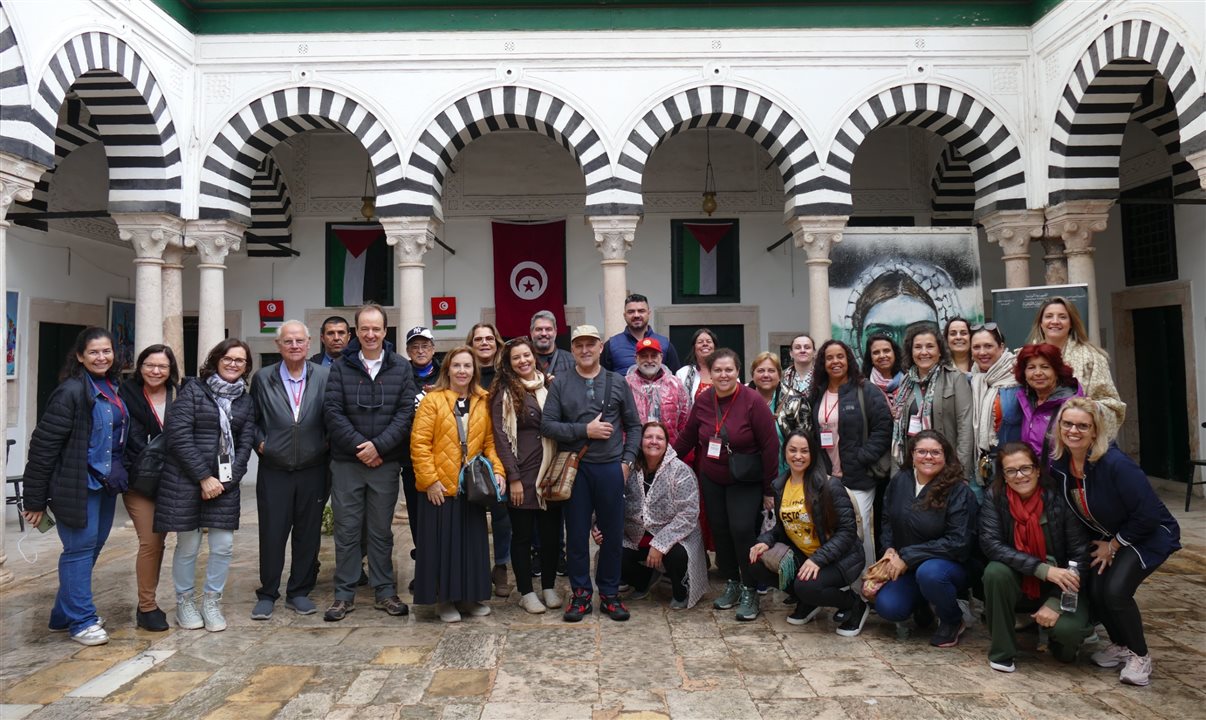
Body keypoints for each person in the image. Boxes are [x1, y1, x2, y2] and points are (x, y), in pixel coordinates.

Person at [1048, 398, 1181, 686]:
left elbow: (1147, 514)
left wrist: (1115, 545)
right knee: (1096, 587)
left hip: (1146, 534)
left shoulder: (1115, 463)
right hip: (1108, 535)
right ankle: (1121, 645)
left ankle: (1140, 656)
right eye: (1067, 424)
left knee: (1117, 591)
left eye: (1083, 425)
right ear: (1058, 427)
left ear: (1095, 431)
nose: (1074, 430)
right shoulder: (1059, 464)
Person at [22, 328, 128, 646]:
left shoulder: (112, 387)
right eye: (94, 352)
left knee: (90, 550)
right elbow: (43, 447)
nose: (101, 357)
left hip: (105, 485)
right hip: (76, 485)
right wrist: (35, 500)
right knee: (79, 551)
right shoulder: (70, 391)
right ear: (80, 356)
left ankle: (61, 614)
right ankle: (81, 620)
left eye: (106, 351)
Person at [542, 324, 642, 622]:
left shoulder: (616, 381)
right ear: (571, 350)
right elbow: (548, 426)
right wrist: (585, 430)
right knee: (575, 535)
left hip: (611, 468)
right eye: (579, 345)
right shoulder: (560, 383)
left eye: (591, 344)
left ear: (600, 347)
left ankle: (610, 594)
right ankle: (581, 594)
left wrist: (627, 461)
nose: (585, 350)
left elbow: (634, 426)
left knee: (612, 535)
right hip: (576, 468)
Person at [322, 304, 417, 622]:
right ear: (356, 332)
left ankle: (384, 591)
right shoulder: (340, 367)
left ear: (385, 330)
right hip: (347, 463)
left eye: (376, 328)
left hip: (385, 463)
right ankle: (344, 595)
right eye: (364, 328)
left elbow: (406, 413)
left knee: (380, 531)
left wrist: (379, 446)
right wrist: (360, 447)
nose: (371, 334)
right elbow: (332, 411)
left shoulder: (401, 367)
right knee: (347, 531)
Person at [155, 338, 256, 632]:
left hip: (224, 484)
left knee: (223, 546)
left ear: (246, 367)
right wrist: (203, 477)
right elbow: (178, 436)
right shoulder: (193, 391)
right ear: (216, 360)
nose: (234, 364)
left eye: (241, 361)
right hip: (186, 480)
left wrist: (228, 479)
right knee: (188, 545)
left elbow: (245, 443)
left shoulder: (245, 400)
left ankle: (212, 601)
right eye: (229, 358)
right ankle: (185, 602)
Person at [673, 348, 779, 621]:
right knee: (720, 531)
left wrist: (769, 490)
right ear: (710, 372)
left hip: (745, 479)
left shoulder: (753, 401)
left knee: (742, 531)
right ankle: (731, 582)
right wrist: (662, 459)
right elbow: (688, 436)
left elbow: (770, 447)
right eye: (717, 370)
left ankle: (750, 588)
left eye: (728, 370)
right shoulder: (705, 401)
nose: (723, 375)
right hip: (713, 477)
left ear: (738, 372)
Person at [411, 346, 506, 623]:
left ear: (474, 370)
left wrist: (498, 471)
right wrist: (430, 481)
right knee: (443, 547)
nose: (462, 371)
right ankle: (444, 600)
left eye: (467, 366)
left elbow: (490, 442)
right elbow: (419, 444)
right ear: (448, 370)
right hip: (440, 487)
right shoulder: (433, 400)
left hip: (470, 487)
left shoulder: (482, 400)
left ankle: (468, 597)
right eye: (457, 366)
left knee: (470, 546)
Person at [979, 442, 1090, 674]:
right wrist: (1041, 569)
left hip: (1059, 586)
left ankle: (1059, 637)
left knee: (1067, 640)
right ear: (1004, 476)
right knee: (995, 571)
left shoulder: (1059, 500)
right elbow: (992, 545)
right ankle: (1002, 652)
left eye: (1026, 468)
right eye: (1011, 471)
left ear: (1038, 470)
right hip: (1019, 580)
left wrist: (1055, 602)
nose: (1020, 476)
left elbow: (1080, 556)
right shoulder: (995, 498)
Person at [749, 431, 869, 636]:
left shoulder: (829, 485)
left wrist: (818, 560)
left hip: (841, 558)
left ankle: (853, 604)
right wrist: (765, 541)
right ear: (785, 453)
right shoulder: (780, 485)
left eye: (804, 451)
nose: (798, 456)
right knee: (757, 561)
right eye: (792, 450)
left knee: (807, 586)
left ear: (813, 454)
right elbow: (782, 527)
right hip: (805, 556)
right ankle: (810, 602)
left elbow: (847, 532)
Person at [249, 321, 330, 620]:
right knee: (272, 532)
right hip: (275, 469)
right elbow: (251, 418)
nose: (294, 346)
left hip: (313, 467)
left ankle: (299, 591)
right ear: (278, 346)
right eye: (288, 341)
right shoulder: (263, 378)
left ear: (309, 343)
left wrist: (325, 444)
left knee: (308, 533)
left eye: (299, 341)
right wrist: (261, 444)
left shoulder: (324, 376)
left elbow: (334, 415)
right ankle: (268, 592)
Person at [874, 430, 978, 648]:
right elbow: (886, 519)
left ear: (946, 456)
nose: (928, 457)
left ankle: (952, 619)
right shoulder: (899, 481)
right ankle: (923, 604)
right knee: (889, 607)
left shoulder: (959, 491)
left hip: (947, 567)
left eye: (935, 452)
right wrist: (889, 549)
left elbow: (958, 543)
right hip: (907, 566)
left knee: (930, 574)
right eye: (922, 451)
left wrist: (909, 556)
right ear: (912, 454)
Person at [489, 337, 562, 614]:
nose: (523, 361)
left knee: (551, 535)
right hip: (522, 474)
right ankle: (526, 591)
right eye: (516, 358)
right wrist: (514, 478)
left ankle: (549, 586)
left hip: (550, 474)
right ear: (509, 364)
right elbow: (500, 438)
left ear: (534, 357)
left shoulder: (550, 386)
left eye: (526, 356)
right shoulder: (504, 393)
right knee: (521, 536)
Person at [809, 339, 892, 567]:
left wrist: (861, 457)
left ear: (848, 360)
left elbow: (884, 428)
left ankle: (866, 585)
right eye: (829, 358)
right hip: (828, 476)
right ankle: (843, 586)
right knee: (835, 529)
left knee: (859, 528)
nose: (835, 361)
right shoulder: (818, 393)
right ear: (822, 363)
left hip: (859, 476)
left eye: (840, 356)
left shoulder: (867, 391)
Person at [118, 343, 179, 632]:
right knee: (151, 540)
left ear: (171, 370)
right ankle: (147, 606)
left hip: (172, 479)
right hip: (138, 480)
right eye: (150, 365)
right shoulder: (124, 394)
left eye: (162, 366)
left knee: (162, 541)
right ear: (140, 367)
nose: (156, 371)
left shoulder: (180, 395)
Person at [620, 421, 707, 609]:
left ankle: (680, 590)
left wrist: (660, 544)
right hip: (636, 534)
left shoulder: (680, 471)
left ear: (667, 443)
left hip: (674, 536)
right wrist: (598, 526)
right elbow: (613, 500)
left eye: (659, 438)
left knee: (677, 555)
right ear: (640, 441)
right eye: (648, 437)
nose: (653, 441)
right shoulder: (630, 468)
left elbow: (688, 514)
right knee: (611, 554)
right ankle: (644, 580)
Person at [1025, 297, 1125, 441]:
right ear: (1041, 323)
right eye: (1048, 316)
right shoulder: (1026, 357)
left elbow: (1114, 407)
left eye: (1062, 317)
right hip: (1036, 443)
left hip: (1078, 441)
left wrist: (1091, 407)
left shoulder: (1092, 357)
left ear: (1071, 323)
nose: (1055, 321)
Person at [889, 325, 973, 481]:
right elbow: (898, 431)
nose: (923, 352)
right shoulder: (905, 383)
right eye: (918, 347)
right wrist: (896, 476)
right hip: (913, 469)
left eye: (930, 346)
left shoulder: (955, 379)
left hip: (947, 469)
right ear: (911, 352)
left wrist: (960, 473)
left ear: (940, 350)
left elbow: (965, 428)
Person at [466, 321, 512, 596]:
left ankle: (502, 566)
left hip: (502, 448)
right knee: (471, 512)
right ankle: (477, 565)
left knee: (501, 512)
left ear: (497, 343)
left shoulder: (507, 375)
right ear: (471, 344)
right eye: (478, 339)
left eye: (489, 339)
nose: (484, 343)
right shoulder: (464, 373)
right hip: (471, 450)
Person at [401, 325, 441, 569]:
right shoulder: (401, 375)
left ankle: (443, 565)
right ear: (407, 351)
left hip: (444, 457)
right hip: (411, 459)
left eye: (425, 345)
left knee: (442, 515)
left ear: (433, 348)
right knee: (417, 516)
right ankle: (425, 567)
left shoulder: (446, 374)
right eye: (415, 347)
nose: (420, 350)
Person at [969, 323, 1021, 496]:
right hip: (985, 469)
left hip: (1016, 470)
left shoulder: (1021, 378)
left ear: (1001, 347)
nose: (982, 352)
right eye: (976, 347)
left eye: (988, 346)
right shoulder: (972, 381)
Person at [1013, 343, 1081, 463]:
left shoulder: (1073, 404)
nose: (1038, 373)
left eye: (1045, 367)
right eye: (1031, 367)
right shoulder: (1024, 400)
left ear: (1057, 371)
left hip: (1062, 478)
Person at [625, 336, 690, 445]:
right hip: (635, 451)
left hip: (670, 451)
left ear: (661, 357)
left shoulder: (675, 384)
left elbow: (685, 421)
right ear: (636, 358)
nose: (649, 360)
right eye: (644, 356)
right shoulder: (625, 385)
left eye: (654, 356)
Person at [602, 293, 681, 374]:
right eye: (631, 312)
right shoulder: (611, 345)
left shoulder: (665, 344)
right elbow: (604, 379)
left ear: (648, 313)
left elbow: (675, 379)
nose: (636, 315)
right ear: (625, 315)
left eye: (641, 311)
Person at [777, 334, 816, 443]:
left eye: (807, 347)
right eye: (798, 347)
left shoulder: (823, 378)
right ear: (791, 353)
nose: (802, 350)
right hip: (789, 436)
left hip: (817, 434)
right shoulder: (780, 378)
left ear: (814, 352)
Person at [675, 327, 718, 406]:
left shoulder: (726, 371)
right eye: (700, 342)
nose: (705, 344)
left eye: (709, 341)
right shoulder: (682, 373)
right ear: (694, 348)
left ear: (714, 347)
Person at [530, 310, 575, 380]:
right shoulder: (522, 361)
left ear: (555, 332)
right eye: (539, 329)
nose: (544, 333)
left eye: (548, 329)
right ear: (531, 332)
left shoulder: (571, 360)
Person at [863, 334, 904, 410]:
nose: (882, 356)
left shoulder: (909, 381)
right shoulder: (862, 386)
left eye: (886, 351)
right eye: (876, 352)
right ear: (870, 358)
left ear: (894, 353)